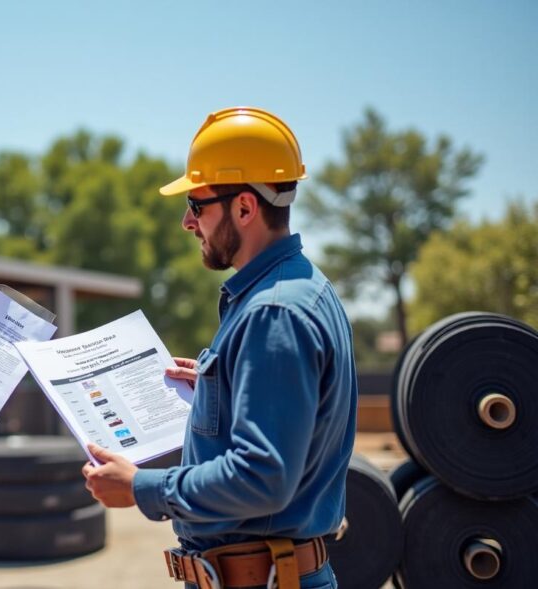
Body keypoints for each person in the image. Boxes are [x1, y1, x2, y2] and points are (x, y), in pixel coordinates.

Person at [82, 107, 356, 589]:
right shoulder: (299, 288)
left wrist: (140, 488)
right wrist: (216, 385)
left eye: (197, 203)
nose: (188, 222)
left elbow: (262, 477)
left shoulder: (274, 312)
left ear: (245, 208)